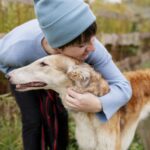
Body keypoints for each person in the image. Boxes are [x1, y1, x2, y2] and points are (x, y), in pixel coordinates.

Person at [0, 0, 132, 150]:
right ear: (58, 48)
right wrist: (34, 82)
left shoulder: (92, 49)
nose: (92, 48)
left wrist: (98, 104)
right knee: (34, 120)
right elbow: (5, 65)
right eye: (82, 45)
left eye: (93, 38)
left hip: (61, 72)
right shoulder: (17, 50)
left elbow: (124, 88)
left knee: (59, 116)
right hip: (23, 72)